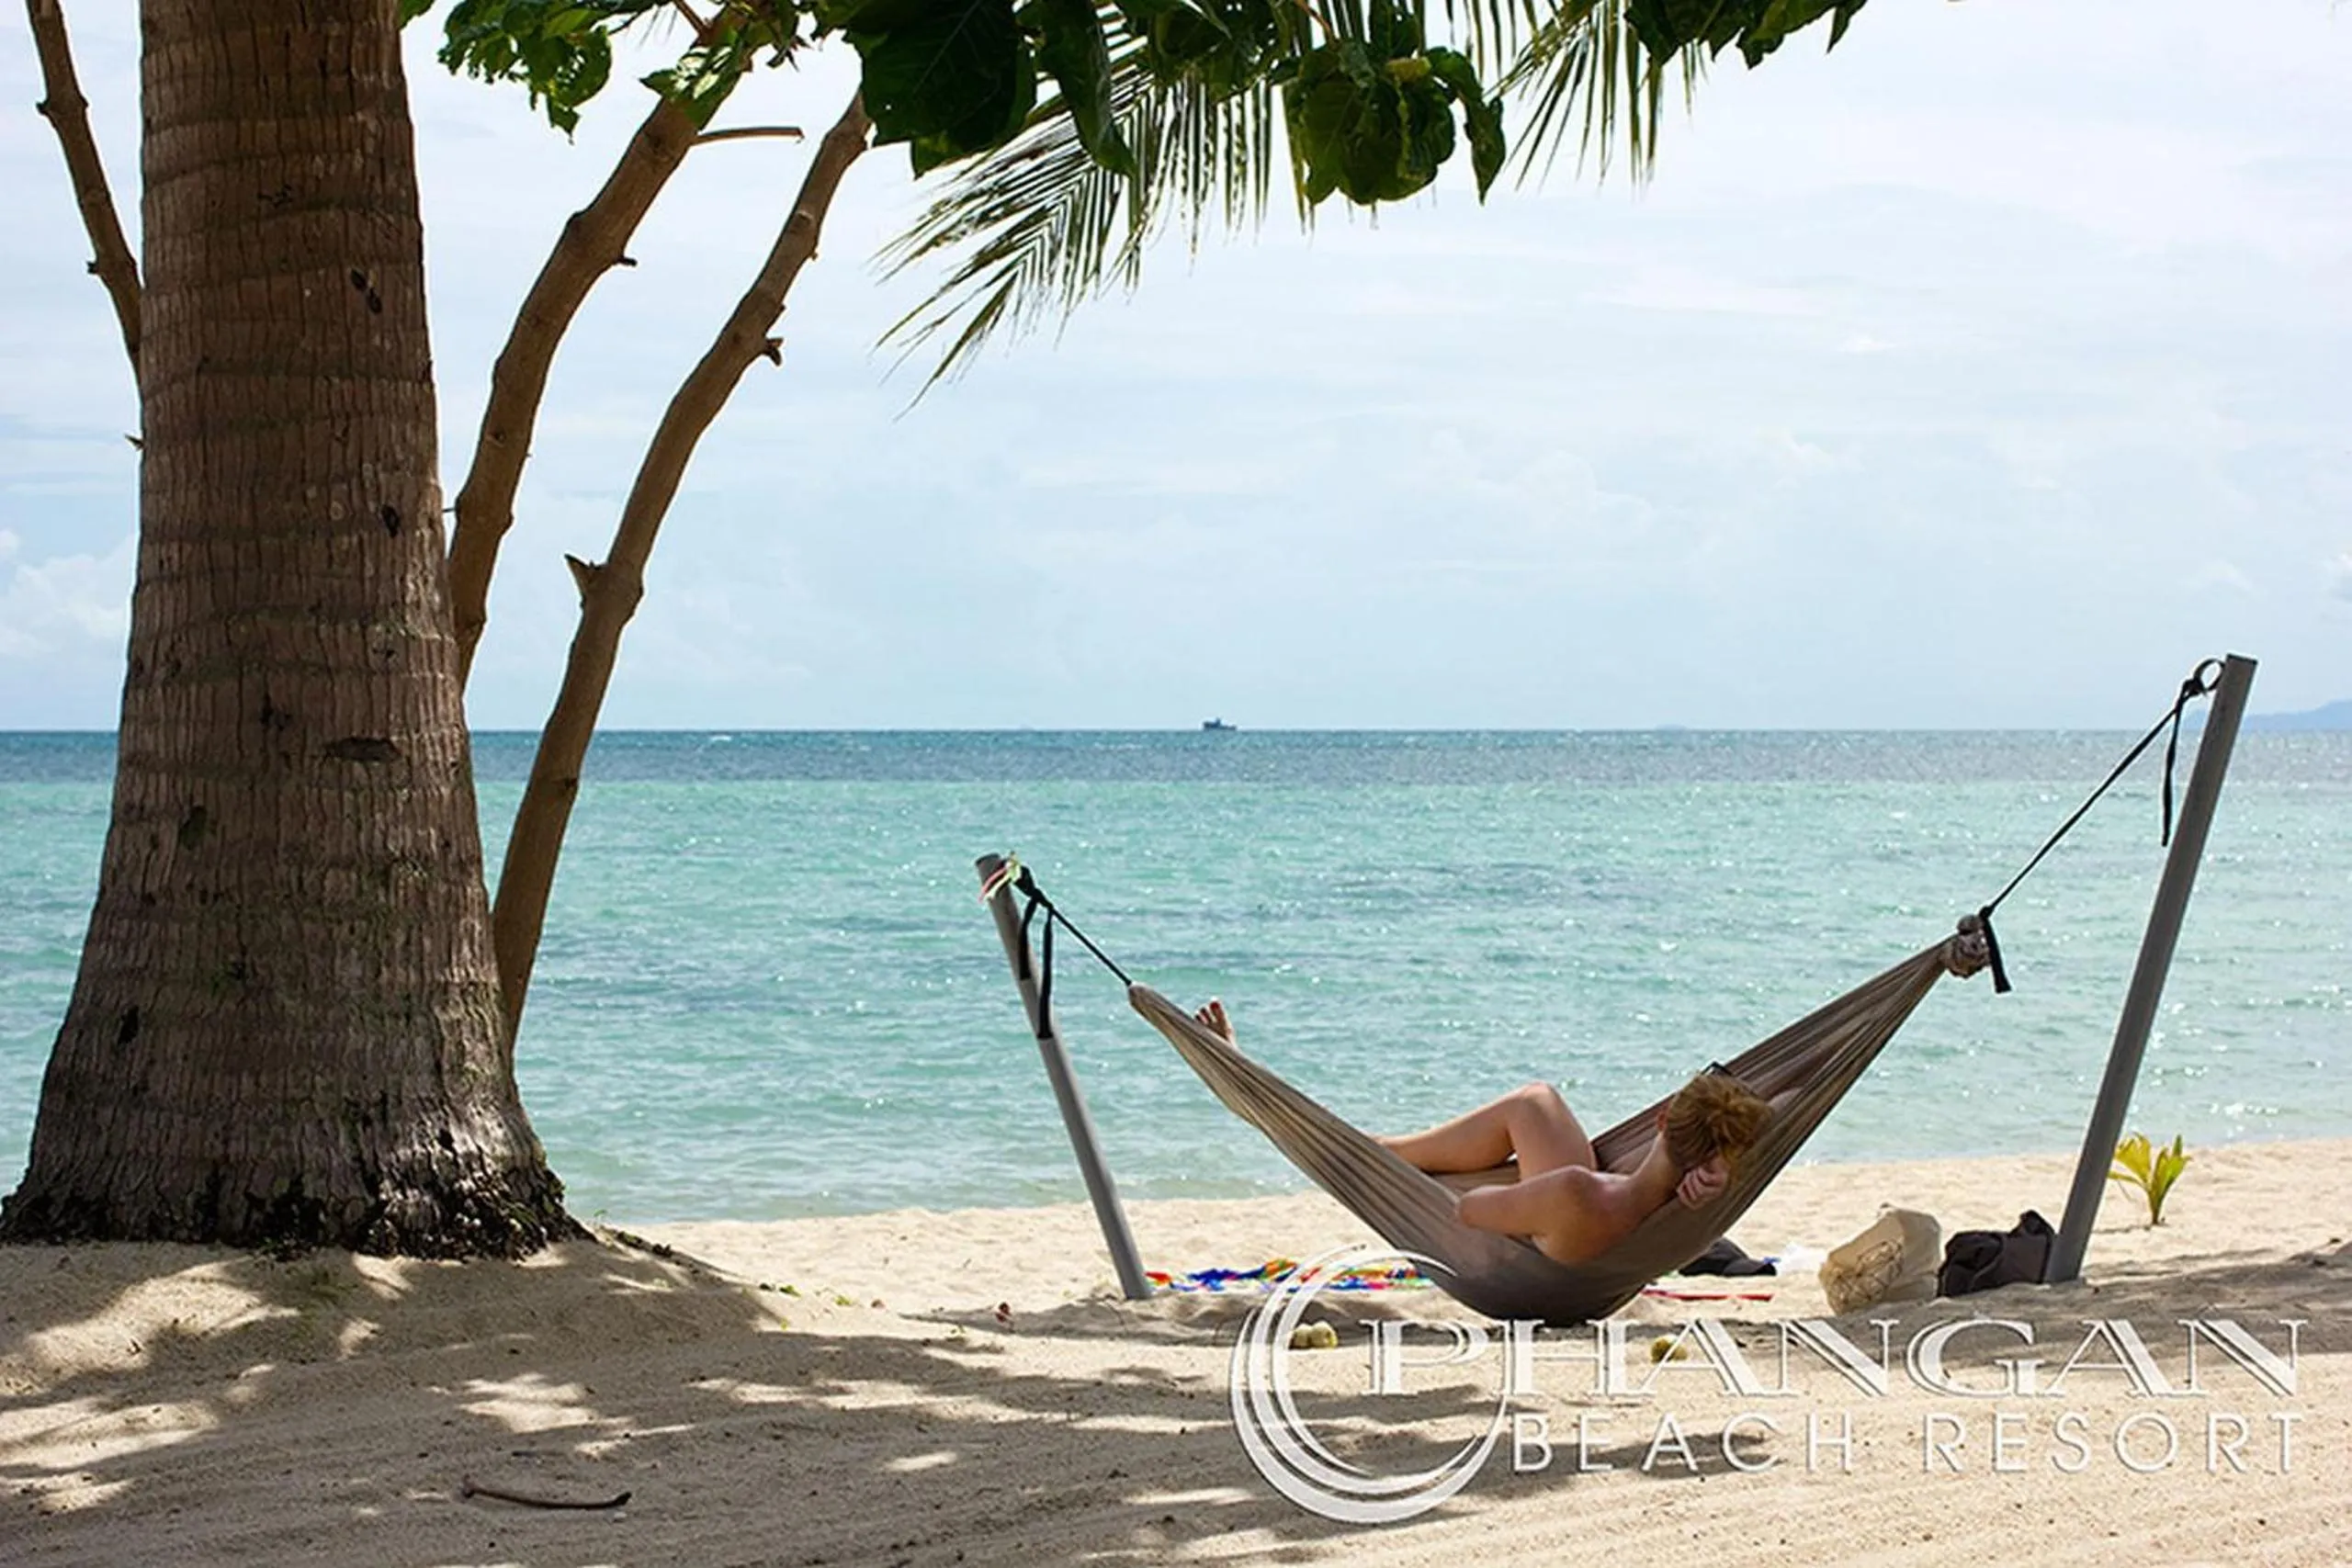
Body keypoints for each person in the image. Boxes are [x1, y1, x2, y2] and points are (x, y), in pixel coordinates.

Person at [1192, 998, 1772, 1266]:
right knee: (1537, 1103)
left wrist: (1511, 1187)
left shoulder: (1580, 1189)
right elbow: (1786, 1098)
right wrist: (1718, 1172)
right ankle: (1323, 1129)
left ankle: (1283, 1109)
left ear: (1663, 1119)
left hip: (1547, 1234)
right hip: (1611, 1215)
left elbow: (1466, 1214)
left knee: (1392, 1161)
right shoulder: (1694, 1195)